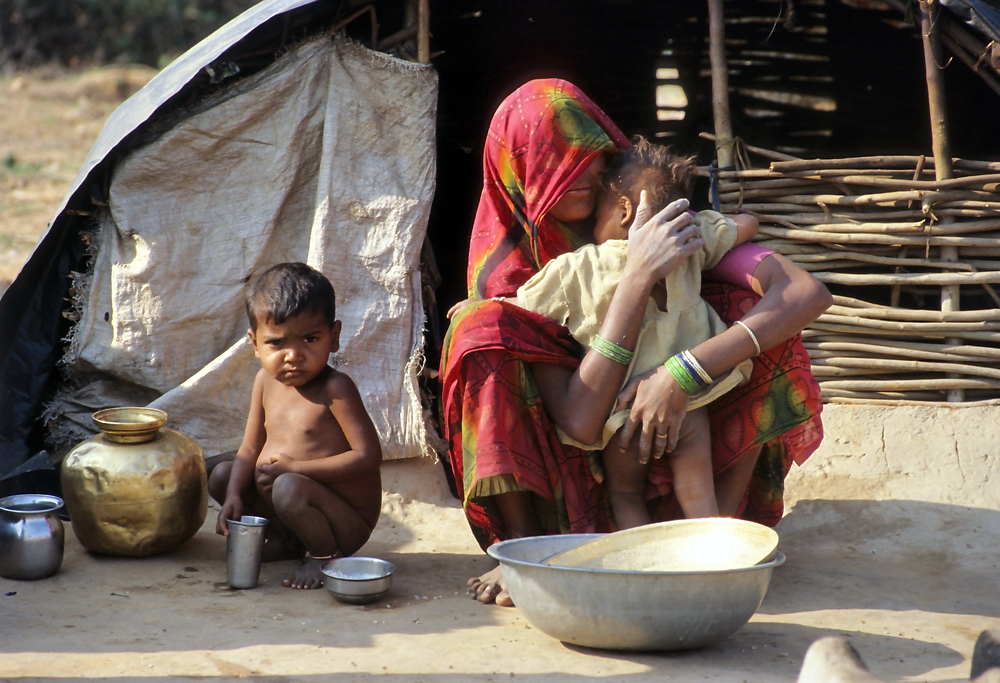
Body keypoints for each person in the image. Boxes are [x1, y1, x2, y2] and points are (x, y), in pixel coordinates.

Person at [439, 79, 831, 606]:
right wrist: (636, 278)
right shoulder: (518, 278)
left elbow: (804, 292)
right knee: (479, 331)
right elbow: (578, 421)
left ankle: (718, 546)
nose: (580, 176)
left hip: (670, 439)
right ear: (518, 171)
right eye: (557, 162)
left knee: (757, 317)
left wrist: (680, 373)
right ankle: (527, 550)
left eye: (592, 162)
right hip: (574, 473)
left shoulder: (666, 226)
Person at [510, 136, 759, 528]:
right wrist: (692, 221)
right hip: (689, 404)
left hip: (621, 414)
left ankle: (641, 561)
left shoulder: (582, 265)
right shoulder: (689, 243)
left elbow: (520, 307)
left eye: (598, 214)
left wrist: (480, 306)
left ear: (624, 210)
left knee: (625, 495)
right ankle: (715, 556)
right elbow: (747, 224)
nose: (591, 226)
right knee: (698, 493)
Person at [210, 262, 383, 590]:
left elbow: (367, 456)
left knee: (289, 485)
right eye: (276, 343)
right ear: (255, 343)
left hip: (343, 522)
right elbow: (249, 448)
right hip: (290, 505)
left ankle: (325, 559)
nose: (293, 355)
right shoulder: (263, 380)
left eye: (309, 339)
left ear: (333, 337)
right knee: (223, 475)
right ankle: (285, 542)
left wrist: (298, 468)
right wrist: (233, 495)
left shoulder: (335, 388)